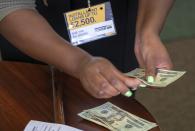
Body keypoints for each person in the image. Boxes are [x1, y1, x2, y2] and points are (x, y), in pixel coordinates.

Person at [0, 0, 173, 99]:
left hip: (115, 23)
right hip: (37, 39)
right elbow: (10, 5)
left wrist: (147, 33)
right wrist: (81, 63)